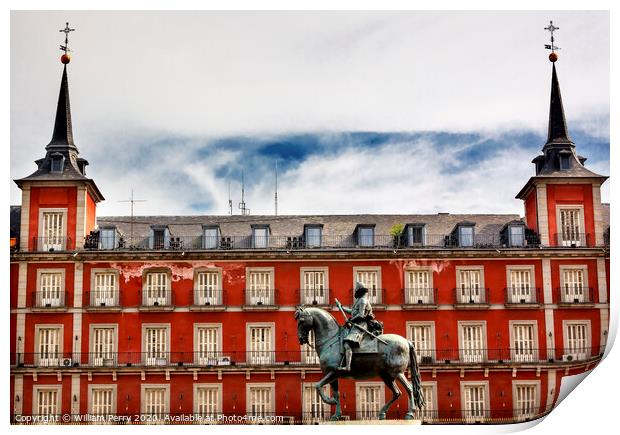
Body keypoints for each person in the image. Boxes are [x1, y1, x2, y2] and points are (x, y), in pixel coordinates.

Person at [337, 282, 373, 372]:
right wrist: (342, 307)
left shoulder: (362, 301)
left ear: (359, 291)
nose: (355, 293)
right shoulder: (360, 300)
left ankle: (348, 367)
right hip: (357, 325)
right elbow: (353, 312)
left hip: (361, 325)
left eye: (356, 291)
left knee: (347, 344)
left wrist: (351, 320)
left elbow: (360, 315)